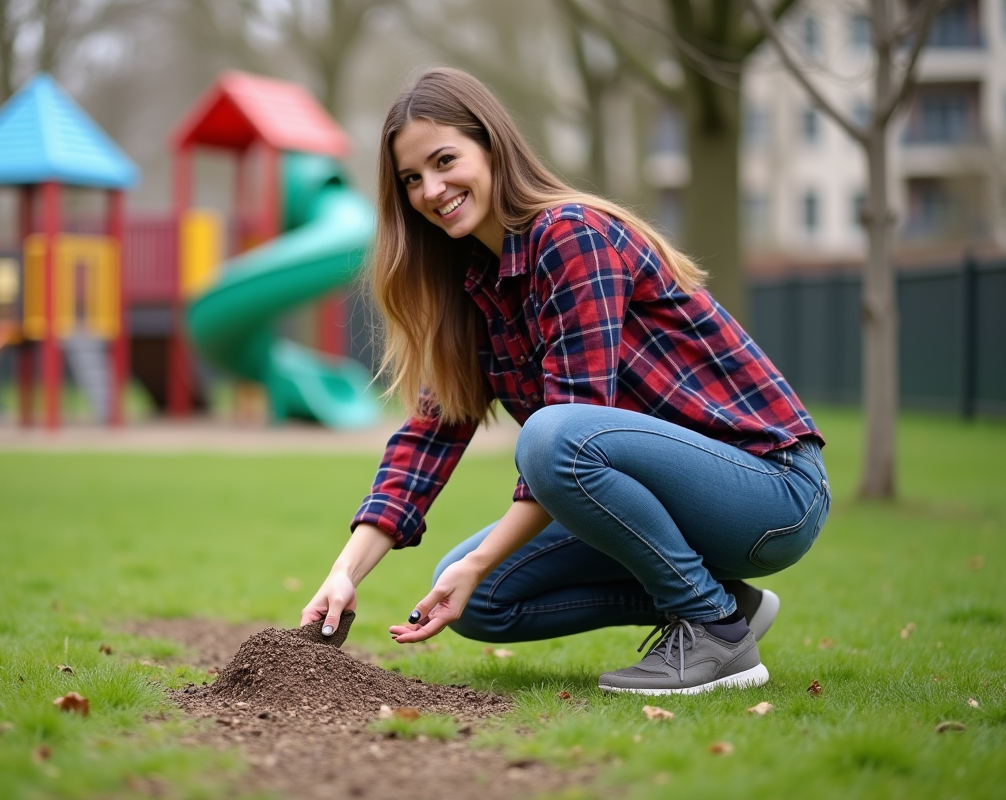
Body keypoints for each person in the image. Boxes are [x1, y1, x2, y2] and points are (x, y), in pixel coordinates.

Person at [301, 67, 830, 696]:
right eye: (412, 179)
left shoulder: (570, 236)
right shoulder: (472, 286)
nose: (432, 190)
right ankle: (725, 608)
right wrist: (345, 573)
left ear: (492, 146)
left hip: (769, 491)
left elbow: (571, 432)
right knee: (475, 597)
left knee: (552, 437)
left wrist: (480, 555)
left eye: (445, 161)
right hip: (669, 498)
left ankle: (712, 632)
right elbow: (424, 444)